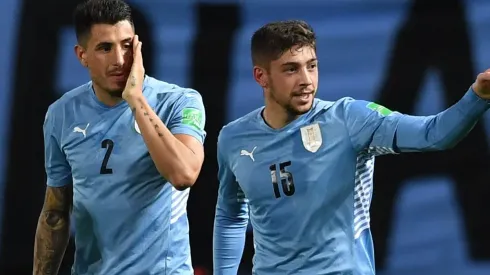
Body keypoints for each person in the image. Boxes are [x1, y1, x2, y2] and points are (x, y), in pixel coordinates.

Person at [213, 20, 490, 275]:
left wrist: (477, 97)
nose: (306, 80)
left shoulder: (349, 119)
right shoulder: (233, 138)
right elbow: (230, 213)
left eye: (312, 65)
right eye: (291, 69)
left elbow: (434, 134)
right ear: (261, 77)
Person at [33, 0, 206, 274]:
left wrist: (136, 99)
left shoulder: (179, 101)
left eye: (127, 45)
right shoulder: (61, 114)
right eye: (105, 48)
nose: (120, 60)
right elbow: (55, 214)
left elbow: (183, 174)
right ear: (82, 55)